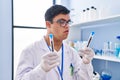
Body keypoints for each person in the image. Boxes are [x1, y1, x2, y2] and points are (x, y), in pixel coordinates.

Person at [15, 5, 95, 80]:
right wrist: (41, 69)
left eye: (68, 22)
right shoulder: (30, 51)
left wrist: (86, 64)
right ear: (48, 24)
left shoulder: (71, 52)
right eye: (62, 22)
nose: (67, 26)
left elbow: (83, 78)